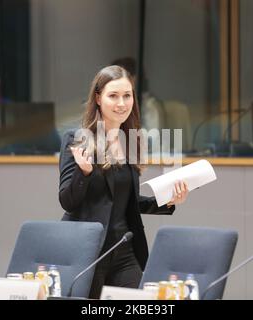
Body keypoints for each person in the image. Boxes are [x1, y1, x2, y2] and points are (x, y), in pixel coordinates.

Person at [58, 65, 189, 299]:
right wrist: (84, 173)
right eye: (113, 96)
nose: (121, 104)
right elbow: (67, 201)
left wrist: (168, 201)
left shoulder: (131, 141)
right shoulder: (77, 138)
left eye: (127, 96)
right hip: (89, 251)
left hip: (124, 249)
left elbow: (128, 202)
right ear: (98, 98)